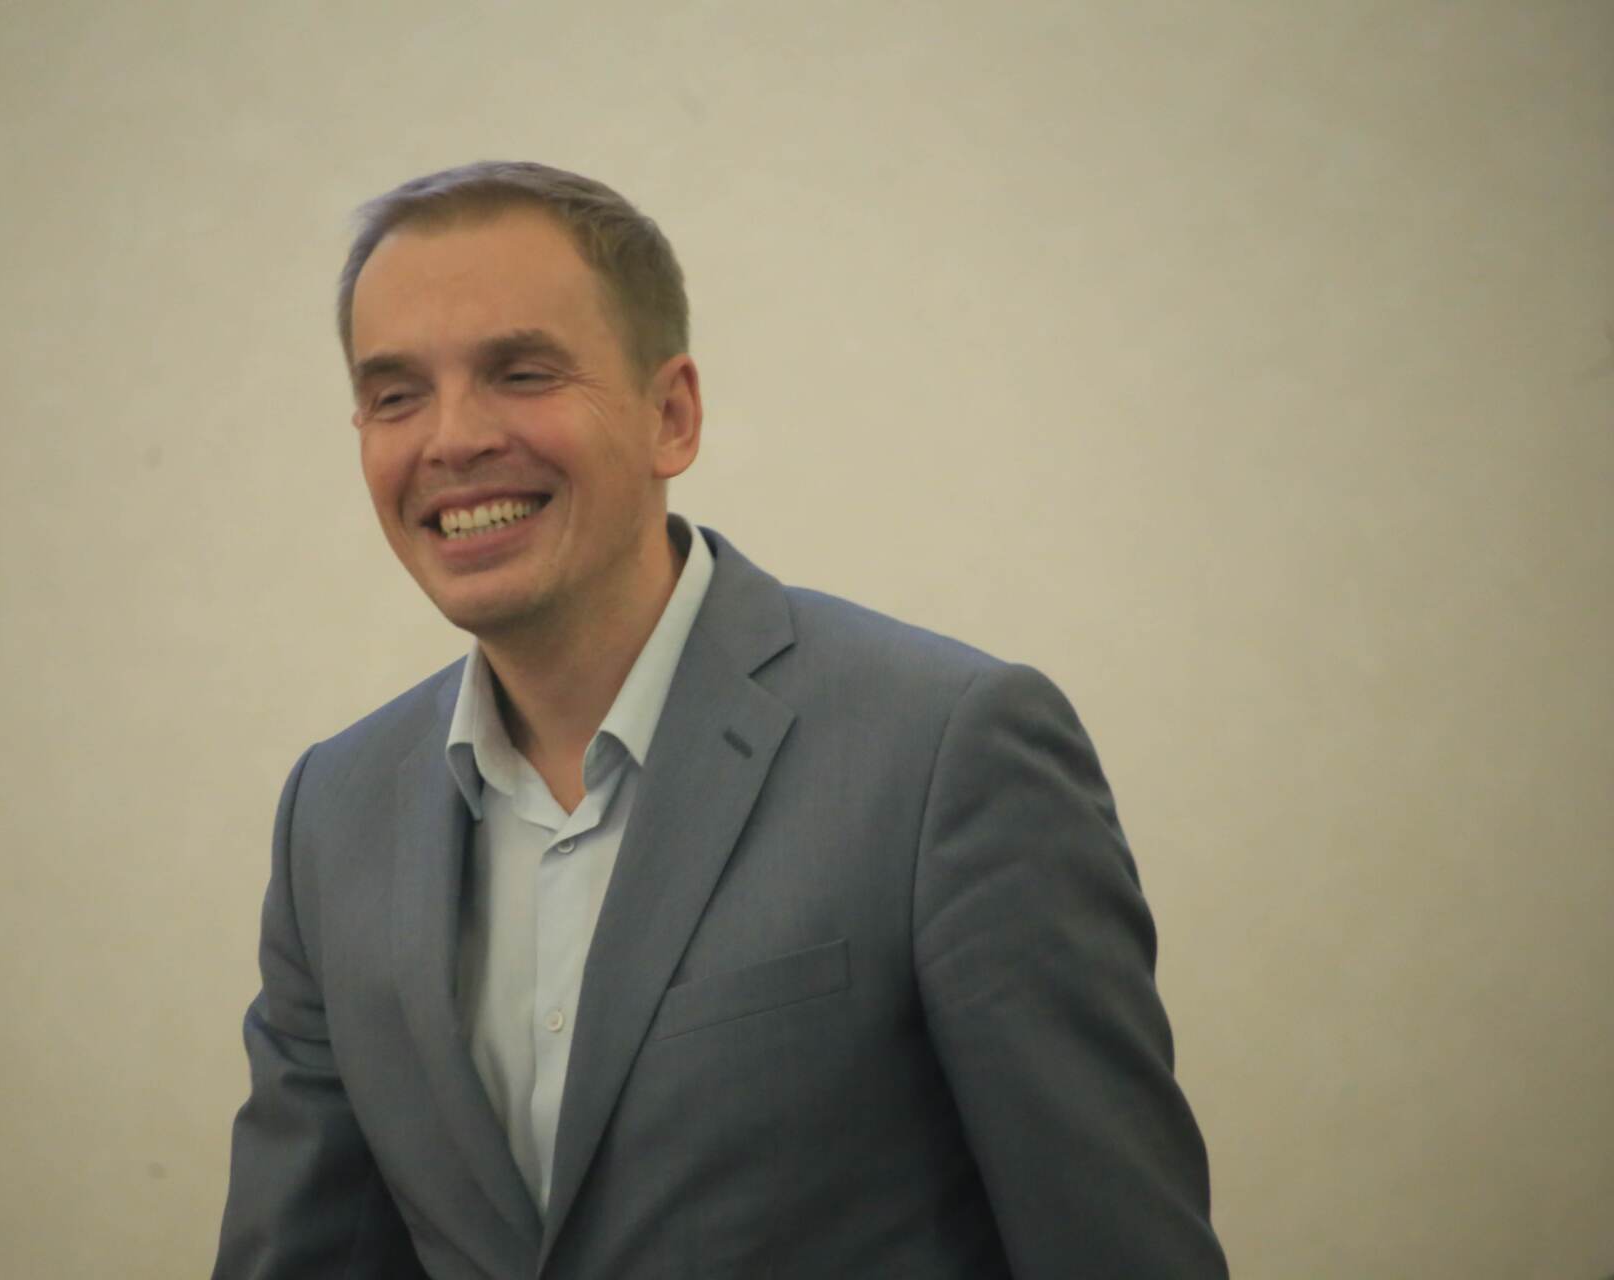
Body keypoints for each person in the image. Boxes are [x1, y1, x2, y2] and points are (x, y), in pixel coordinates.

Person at [213, 161, 1227, 1279]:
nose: (450, 438)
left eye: (522, 372)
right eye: (397, 393)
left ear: (673, 416)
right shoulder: (334, 813)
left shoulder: (949, 753)